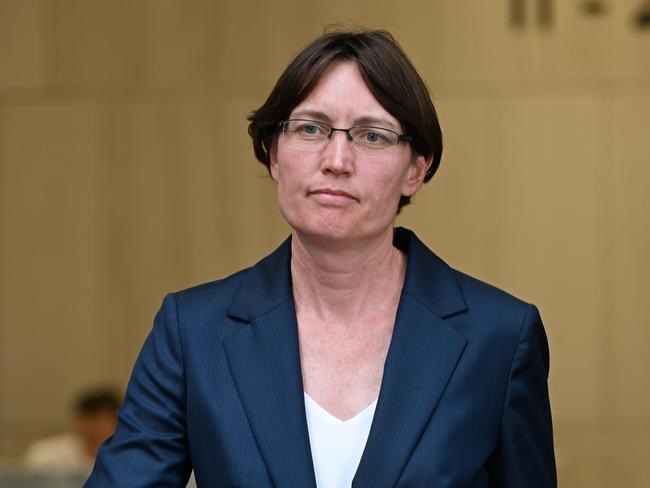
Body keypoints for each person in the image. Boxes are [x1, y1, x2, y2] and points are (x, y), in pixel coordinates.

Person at [86, 29, 556, 487]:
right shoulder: (193, 331)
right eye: (311, 128)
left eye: (372, 136)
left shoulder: (499, 337)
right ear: (273, 154)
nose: (336, 159)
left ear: (416, 169)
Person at [24, 387, 120, 474]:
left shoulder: (126, 458)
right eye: (86, 420)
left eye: (98, 420)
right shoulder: (45, 455)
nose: (92, 428)